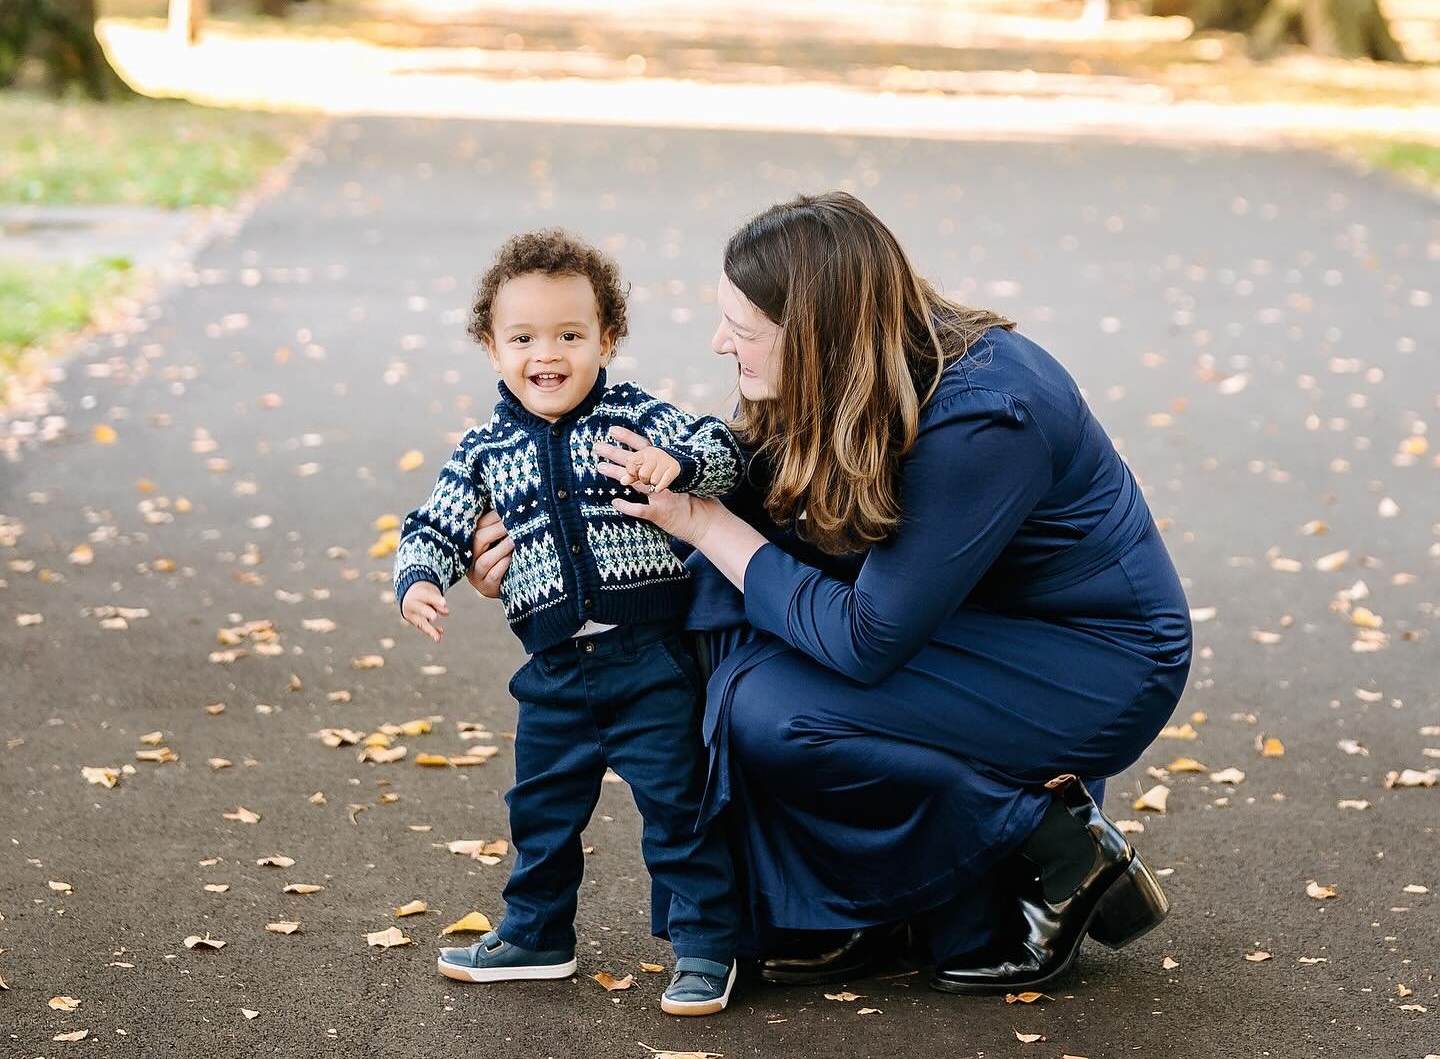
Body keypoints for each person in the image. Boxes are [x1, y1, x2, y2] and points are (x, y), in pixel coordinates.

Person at [470, 192, 1192, 995]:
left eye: (740, 331)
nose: (718, 344)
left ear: (812, 331)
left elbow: (864, 637)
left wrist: (707, 527)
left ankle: (1050, 844)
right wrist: (533, 548)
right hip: (963, 621)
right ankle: (852, 907)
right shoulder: (863, 367)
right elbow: (755, 491)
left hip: (1087, 662)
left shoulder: (989, 416)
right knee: (721, 624)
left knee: (769, 706)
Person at [394, 228, 742, 1017]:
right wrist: (418, 577)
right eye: (522, 337)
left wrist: (677, 467)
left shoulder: (633, 415)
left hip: (649, 660)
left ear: (606, 339)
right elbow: (433, 524)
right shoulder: (485, 450)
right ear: (491, 347)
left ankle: (704, 945)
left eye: (569, 335)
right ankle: (537, 933)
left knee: (677, 808)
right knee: (540, 811)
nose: (545, 354)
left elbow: (722, 450)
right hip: (554, 674)